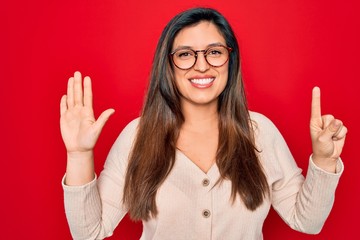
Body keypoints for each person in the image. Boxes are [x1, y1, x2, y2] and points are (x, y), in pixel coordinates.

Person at [60, 7, 347, 240]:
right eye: (185, 54)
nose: (201, 65)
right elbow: (89, 232)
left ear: (229, 60)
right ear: (168, 65)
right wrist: (79, 155)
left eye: (214, 52)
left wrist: (323, 161)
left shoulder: (259, 132)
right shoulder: (137, 136)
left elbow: (307, 221)